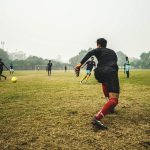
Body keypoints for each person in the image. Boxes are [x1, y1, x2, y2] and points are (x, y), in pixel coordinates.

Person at [75, 38, 120, 129]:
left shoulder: (98, 49)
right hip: (110, 71)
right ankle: (97, 118)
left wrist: (79, 64)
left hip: (98, 72)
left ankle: (109, 107)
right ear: (105, 44)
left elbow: (89, 53)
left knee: (105, 82)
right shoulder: (112, 52)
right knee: (114, 100)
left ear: (98, 45)